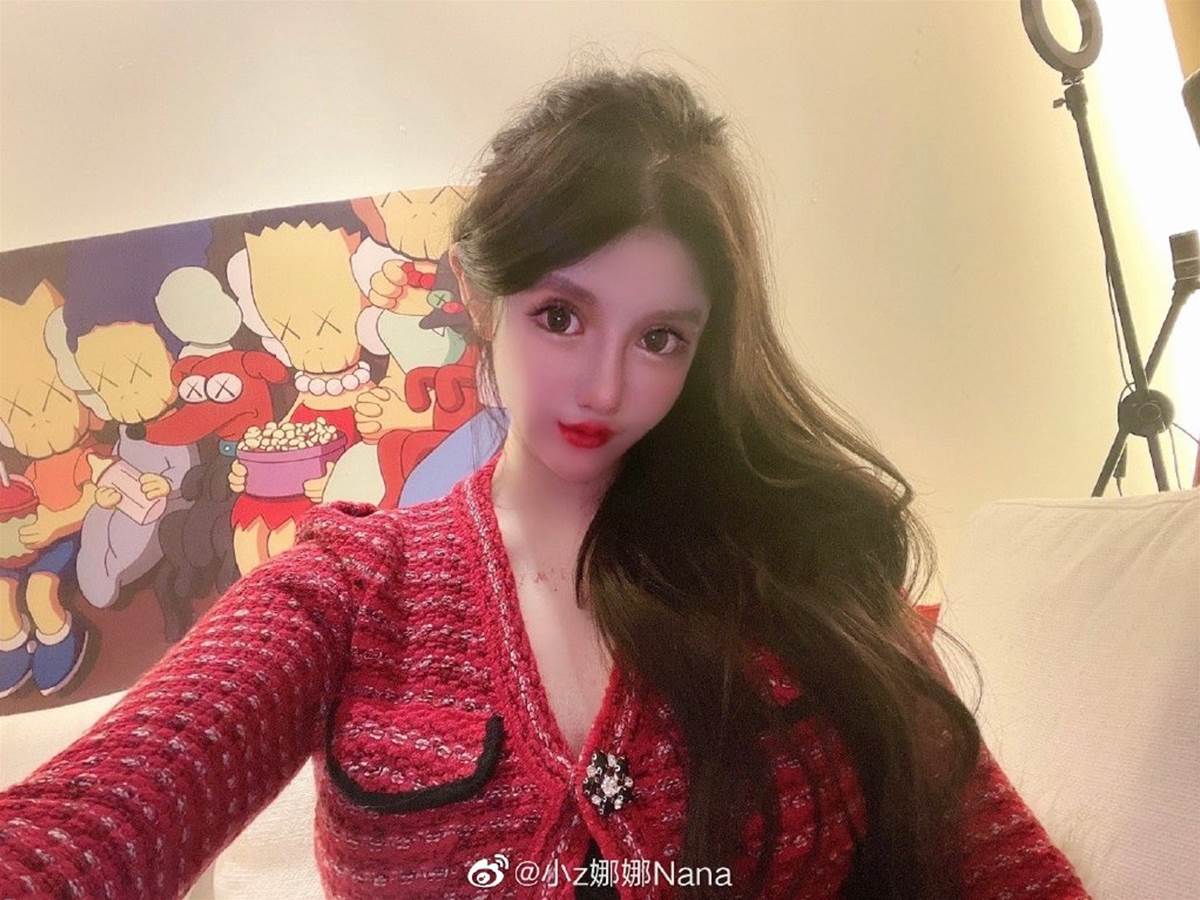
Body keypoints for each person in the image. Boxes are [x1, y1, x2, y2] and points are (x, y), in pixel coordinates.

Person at [0, 64, 1091, 900]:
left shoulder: (803, 567)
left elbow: (1004, 866)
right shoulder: (355, 589)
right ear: (481, 300)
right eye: (561, 316)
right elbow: (83, 831)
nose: (605, 386)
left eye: (660, 338)